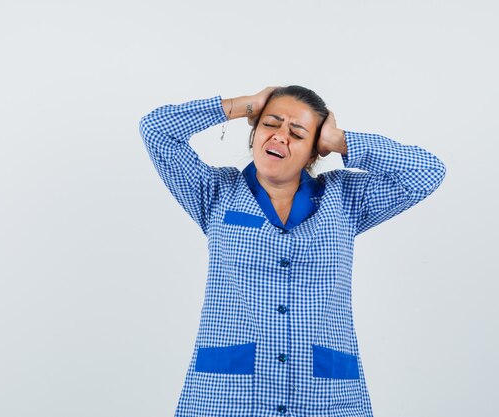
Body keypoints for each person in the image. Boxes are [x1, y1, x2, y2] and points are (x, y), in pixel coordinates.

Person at [139, 86, 446, 417]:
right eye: (271, 124)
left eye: (297, 133)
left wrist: (341, 141)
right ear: (254, 133)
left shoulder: (345, 199)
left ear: (314, 152)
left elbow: (427, 172)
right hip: (229, 394)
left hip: (324, 397)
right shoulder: (215, 192)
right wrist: (246, 105)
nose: (280, 136)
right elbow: (156, 129)